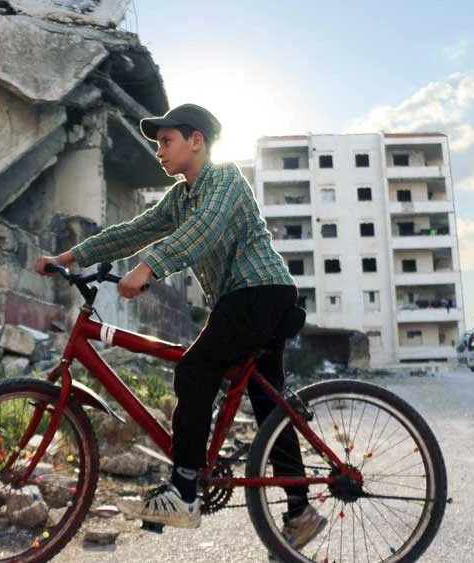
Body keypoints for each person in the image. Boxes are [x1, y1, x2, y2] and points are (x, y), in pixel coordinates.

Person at [33, 104, 326, 549]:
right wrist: (66, 259)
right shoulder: (180, 197)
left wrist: (150, 267)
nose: (159, 152)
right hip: (245, 301)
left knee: (193, 371)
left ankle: (185, 490)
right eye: (156, 144)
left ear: (197, 141)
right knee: (269, 406)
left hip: (259, 292)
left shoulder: (224, 179)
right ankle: (300, 510)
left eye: (166, 141)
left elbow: (205, 231)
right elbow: (132, 231)